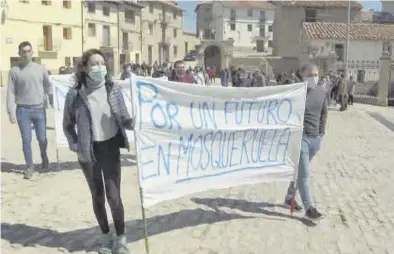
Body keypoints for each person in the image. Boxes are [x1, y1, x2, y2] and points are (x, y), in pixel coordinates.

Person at [63, 48, 133, 254]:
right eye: (94, 64)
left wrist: (131, 121)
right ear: (84, 68)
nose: (99, 68)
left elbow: (124, 116)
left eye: (102, 63)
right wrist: (76, 144)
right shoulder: (75, 94)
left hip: (110, 147)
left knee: (114, 197)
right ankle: (105, 236)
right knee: (98, 196)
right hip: (88, 152)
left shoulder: (113, 89)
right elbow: (67, 125)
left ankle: (121, 238)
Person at [283, 63, 328, 220]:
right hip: (300, 139)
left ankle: (289, 197)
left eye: (316, 75)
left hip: (315, 139)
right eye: (310, 74)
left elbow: (324, 113)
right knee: (304, 173)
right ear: (303, 75)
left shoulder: (321, 92)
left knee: (299, 171)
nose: (314, 78)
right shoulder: (296, 92)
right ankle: (310, 208)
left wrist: (321, 134)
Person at [6, 41, 52, 179]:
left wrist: (54, 101)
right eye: (23, 51)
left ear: (32, 52)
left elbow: (48, 86)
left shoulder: (40, 69)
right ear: (19, 53)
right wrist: (11, 111)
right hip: (23, 111)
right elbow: (11, 92)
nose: (26, 54)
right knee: (26, 140)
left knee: (42, 138)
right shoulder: (14, 71)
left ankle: (44, 158)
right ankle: (29, 167)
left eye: (28, 51)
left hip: (39, 109)